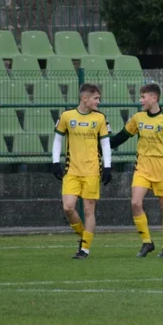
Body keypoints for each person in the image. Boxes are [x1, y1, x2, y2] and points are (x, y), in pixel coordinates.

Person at [108, 83, 163, 258]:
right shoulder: (138, 118)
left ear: (154, 98)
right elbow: (121, 137)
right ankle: (147, 242)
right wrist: (102, 147)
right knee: (135, 203)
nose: (140, 100)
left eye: (143, 97)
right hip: (142, 168)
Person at [52, 83, 112, 259]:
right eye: (96, 98)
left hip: (92, 171)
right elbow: (57, 140)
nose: (98, 102)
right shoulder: (66, 116)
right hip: (72, 171)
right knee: (68, 208)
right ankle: (84, 237)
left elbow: (105, 144)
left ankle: (84, 249)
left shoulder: (100, 118)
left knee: (88, 211)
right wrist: (55, 162)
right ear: (84, 98)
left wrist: (107, 166)